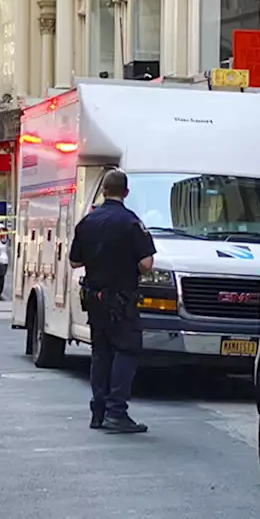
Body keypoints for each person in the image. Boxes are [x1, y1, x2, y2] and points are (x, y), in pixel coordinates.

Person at [68, 169, 156, 434]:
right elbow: (146, 263)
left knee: (100, 353)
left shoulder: (87, 222)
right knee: (126, 351)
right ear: (126, 193)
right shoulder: (131, 222)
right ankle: (117, 411)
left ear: (103, 191)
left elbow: (75, 261)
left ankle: (98, 411)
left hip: (95, 299)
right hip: (122, 299)